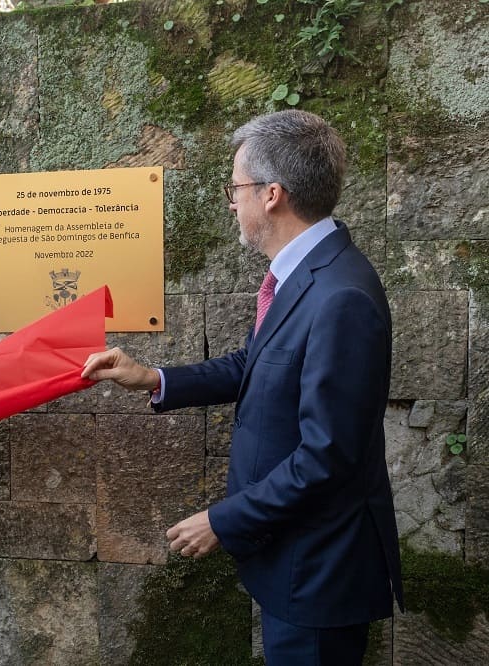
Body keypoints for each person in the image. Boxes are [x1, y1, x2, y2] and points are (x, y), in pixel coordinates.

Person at [82, 110, 404, 665]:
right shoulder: (302, 275)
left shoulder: (340, 296)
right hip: (289, 559)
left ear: (272, 194)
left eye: (236, 188)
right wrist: (151, 378)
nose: (232, 201)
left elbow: (328, 458)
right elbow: (253, 364)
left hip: (318, 573)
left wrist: (223, 520)